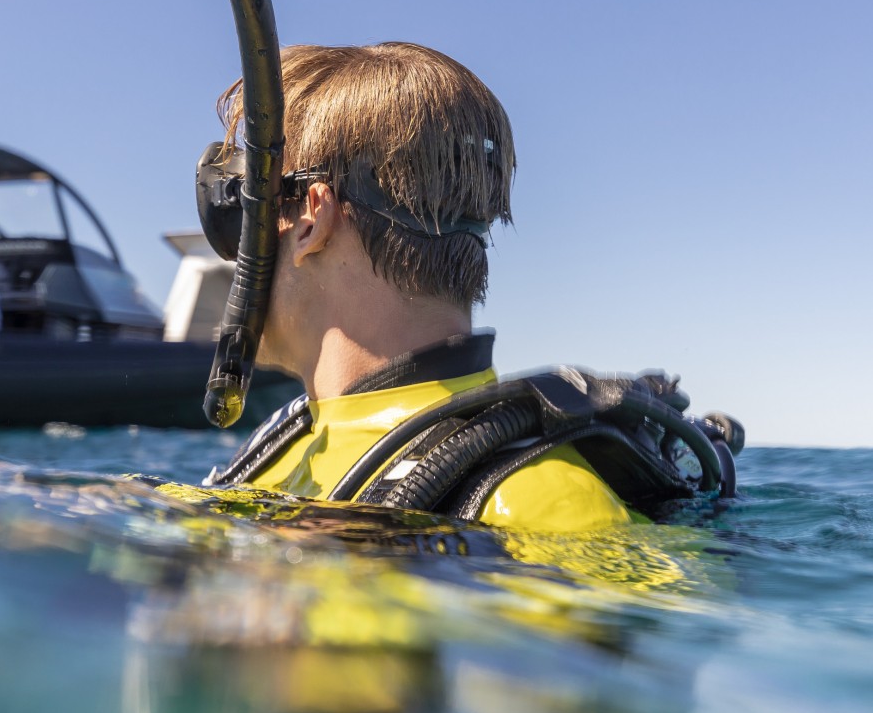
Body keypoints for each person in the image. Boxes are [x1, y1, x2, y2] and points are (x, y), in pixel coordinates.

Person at [201, 43, 640, 532]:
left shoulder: (542, 507)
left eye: (250, 209)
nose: (238, 249)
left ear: (311, 219)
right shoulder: (280, 445)